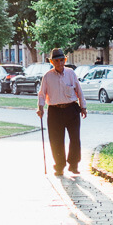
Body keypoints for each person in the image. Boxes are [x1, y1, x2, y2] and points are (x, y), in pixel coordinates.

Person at [37, 48, 87, 176]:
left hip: (72, 109)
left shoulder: (71, 73)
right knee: (56, 140)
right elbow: (42, 94)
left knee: (75, 139)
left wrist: (83, 107)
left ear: (65, 60)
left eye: (61, 60)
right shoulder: (47, 76)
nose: (59, 63)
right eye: (56, 61)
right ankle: (59, 166)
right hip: (54, 112)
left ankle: (73, 165)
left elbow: (79, 91)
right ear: (52, 62)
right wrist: (40, 108)